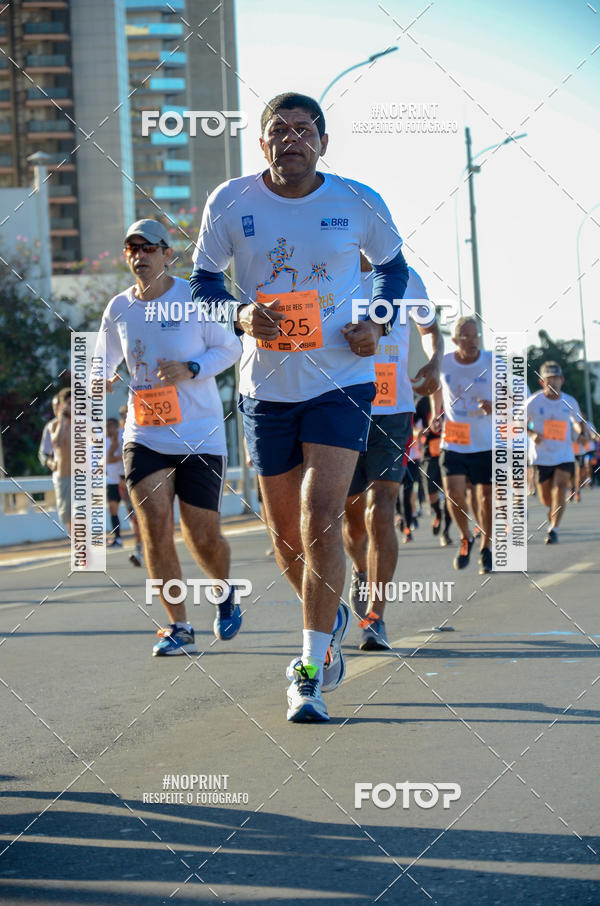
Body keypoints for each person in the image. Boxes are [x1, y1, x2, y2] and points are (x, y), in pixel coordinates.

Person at [190, 92, 409, 721]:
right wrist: (237, 314)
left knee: (319, 518)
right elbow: (205, 281)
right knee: (285, 535)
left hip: (342, 377)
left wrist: (377, 319)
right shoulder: (230, 201)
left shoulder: (357, 200)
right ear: (261, 143)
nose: (292, 139)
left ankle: (310, 669)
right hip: (266, 390)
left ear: (323, 141)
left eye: (304, 130)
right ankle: (332, 613)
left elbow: (393, 271)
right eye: (278, 130)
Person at [97, 218, 242, 655]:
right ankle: (177, 625)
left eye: (148, 247)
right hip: (144, 436)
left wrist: (192, 368)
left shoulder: (193, 299)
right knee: (155, 527)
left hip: (199, 436)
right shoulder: (119, 308)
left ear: (167, 253)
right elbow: (101, 360)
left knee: (202, 535)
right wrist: (99, 378)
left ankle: (224, 590)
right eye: (132, 249)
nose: (139, 255)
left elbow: (231, 347)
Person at [342, 262, 442, 650]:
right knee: (352, 518)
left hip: (394, 410)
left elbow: (430, 327)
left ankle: (376, 617)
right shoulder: (333, 267)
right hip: (342, 407)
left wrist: (433, 362)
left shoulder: (406, 278)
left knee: (379, 510)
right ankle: (359, 569)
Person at [431, 316, 493, 574]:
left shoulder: (492, 362)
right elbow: (435, 386)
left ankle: (487, 547)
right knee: (454, 493)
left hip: (484, 441)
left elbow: (512, 396)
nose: (472, 341)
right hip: (454, 438)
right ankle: (466, 536)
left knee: (485, 498)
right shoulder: (444, 363)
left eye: (475, 335)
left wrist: (496, 406)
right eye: (465, 337)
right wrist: (437, 411)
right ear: (455, 340)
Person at [527, 362, 587, 544]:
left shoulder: (569, 401)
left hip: (563, 454)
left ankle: (554, 529)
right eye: (549, 379)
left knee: (561, 487)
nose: (553, 382)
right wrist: (532, 433)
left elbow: (577, 421)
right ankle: (551, 509)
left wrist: (580, 433)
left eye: (556, 379)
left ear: (562, 380)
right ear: (542, 381)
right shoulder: (533, 402)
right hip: (541, 456)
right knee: (546, 498)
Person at [414, 393, 452, 546]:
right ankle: (438, 513)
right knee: (431, 496)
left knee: (451, 495)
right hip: (430, 453)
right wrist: (419, 432)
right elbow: (413, 424)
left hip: (450, 450)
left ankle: (446, 532)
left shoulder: (452, 395)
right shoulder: (422, 402)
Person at [117, 404, 144, 566]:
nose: (124, 417)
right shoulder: (116, 435)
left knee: (144, 517)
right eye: (122, 415)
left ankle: (142, 549)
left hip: (142, 480)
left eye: (127, 414)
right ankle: (139, 549)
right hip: (124, 483)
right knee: (134, 519)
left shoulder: (141, 432)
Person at [49, 388, 71, 536]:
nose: (71, 406)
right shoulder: (55, 425)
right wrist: (63, 421)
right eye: (68, 403)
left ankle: (84, 552)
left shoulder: (83, 423)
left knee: (81, 517)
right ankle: (79, 549)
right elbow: (56, 442)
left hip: (82, 477)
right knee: (68, 518)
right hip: (63, 477)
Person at [105, 417, 124, 547]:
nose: (108, 428)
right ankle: (117, 538)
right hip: (112, 480)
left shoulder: (123, 437)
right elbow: (108, 460)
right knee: (113, 509)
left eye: (111, 425)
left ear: (116, 426)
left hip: (125, 479)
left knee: (132, 510)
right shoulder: (105, 441)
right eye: (106, 426)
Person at [38, 395, 58, 471]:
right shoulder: (51, 426)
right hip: (61, 475)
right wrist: (51, 463)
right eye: (55, 407)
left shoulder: (85, 423)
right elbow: (43, 454)